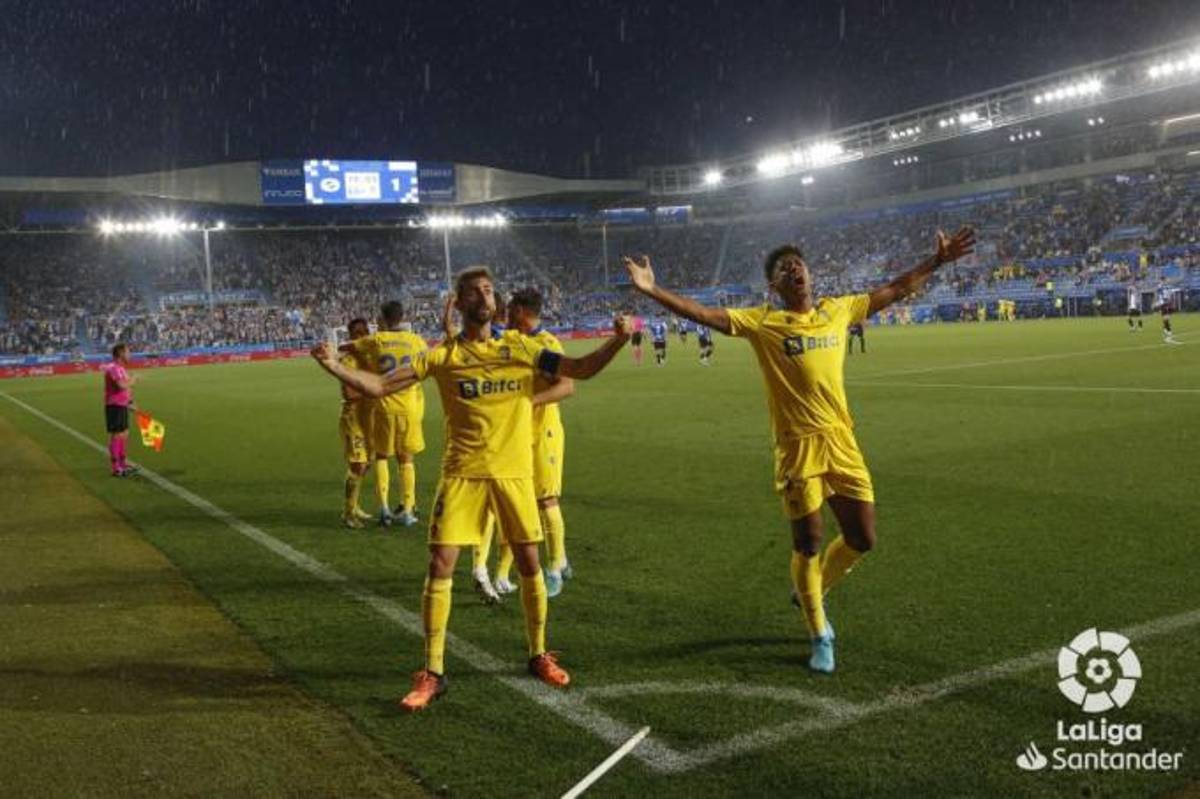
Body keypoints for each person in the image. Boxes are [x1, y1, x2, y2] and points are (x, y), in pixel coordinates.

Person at [622, 227, 976, 674]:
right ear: (774, 286)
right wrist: (653, 291)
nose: (794, 270)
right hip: (797, 450)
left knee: (862, 538)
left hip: (841, 441)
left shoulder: (838, 310)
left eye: (798, 265)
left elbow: (898, 287)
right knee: (807, 542)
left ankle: (812, 588)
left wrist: (937, 262)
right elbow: (705, 315)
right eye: (783, 269)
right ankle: (819, 631)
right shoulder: (762, 322)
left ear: (810, 274)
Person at [311, 266, 631, 711]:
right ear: (459, 305)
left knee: (528, 561)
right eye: (474, 291)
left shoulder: (521, 347)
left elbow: (577, 370)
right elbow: (381, 385)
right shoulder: (443, 356)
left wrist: (617, 340)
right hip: (462, 473)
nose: (484, 295)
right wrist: (331, 365)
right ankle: (433, 672)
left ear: (496, 302)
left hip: (514, 474)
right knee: (440, 564)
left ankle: (538, 653)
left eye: (488, 289)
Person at [507, 288, 576, 597]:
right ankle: (561, 558)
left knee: (546, 500)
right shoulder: (517, 341)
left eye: (510, 310)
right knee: (533, 500)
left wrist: (529, 402)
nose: (507, 315)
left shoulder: (546, 345)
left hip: (543, 433)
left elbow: (566, 387)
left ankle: (555, 569)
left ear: (521, 310)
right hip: (523, 433)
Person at [345, 301, 427, 527]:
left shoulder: (377, 340)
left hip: (384, 406)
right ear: (403, 317)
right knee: (407, 459)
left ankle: (383, 508)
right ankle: (408, 511)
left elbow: (349, 347)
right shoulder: (417, 340)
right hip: (410, 406)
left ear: (382, 318)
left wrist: (334, 351)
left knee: (381, 456)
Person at [338, 318, 375, 529]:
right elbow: (349, 392)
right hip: (353, 417)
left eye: (364, 332)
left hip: (369, 417)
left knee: (366, 464)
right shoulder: (348, 360)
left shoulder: (370, 357)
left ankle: (354, 505)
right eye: (357, 333)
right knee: (358, 465)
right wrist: (373, 389)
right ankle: (348, 513)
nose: (361, 336)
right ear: (351, 336)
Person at [101, 343, 138, 477]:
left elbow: (127, 389)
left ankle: (123, 463)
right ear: (121, 354)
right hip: (114, 406)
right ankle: (116, 468)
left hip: (122, 405)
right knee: (117, 434)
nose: (130, 355)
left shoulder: (121, 369)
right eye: (128, 352)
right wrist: (133, 379)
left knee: (124, 433)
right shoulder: (113, 368)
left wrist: (130, 402)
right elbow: (122, 385)